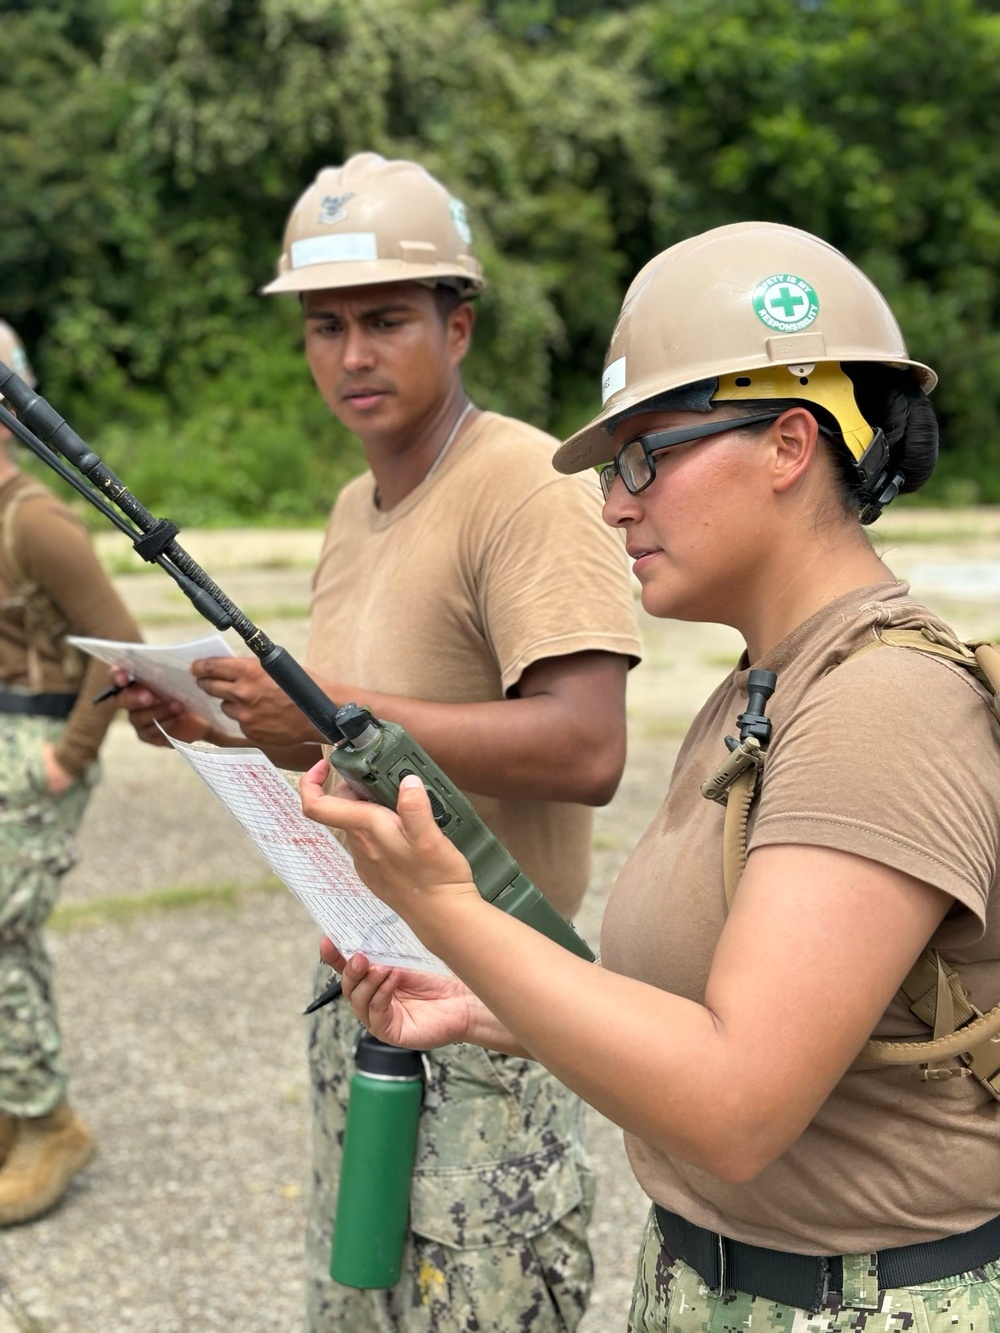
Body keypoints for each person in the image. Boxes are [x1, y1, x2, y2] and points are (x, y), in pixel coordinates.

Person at [300, 221, 1000, 1332]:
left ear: (785, 446)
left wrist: (439, 905)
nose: (615, 501)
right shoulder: (762, 685)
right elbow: (714, 1012)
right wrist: (506, 1007)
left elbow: (733, 1107)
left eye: (644, 456)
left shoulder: (880, 707)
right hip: (725, 1283)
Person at [118, 153, 642, 1330]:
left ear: (456, 326)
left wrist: (330, 707)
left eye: (386, 319)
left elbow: (584, 747)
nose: (352, 354)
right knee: (358, 1300)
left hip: (493, 992)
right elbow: (355, 749)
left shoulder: (525, 484)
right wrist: (212, 723)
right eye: (325, 326)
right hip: (363, 980)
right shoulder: (353, 510)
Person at [0, 320, 142, 1225]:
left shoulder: (34, 519)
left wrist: (70, 757)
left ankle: (47, 1119)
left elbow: (119, 644)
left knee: (4, 933)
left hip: (36, 748)